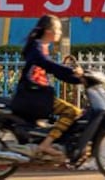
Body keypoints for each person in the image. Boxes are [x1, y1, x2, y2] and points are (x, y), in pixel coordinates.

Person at [10, 14, 83, 159]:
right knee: (72, 112)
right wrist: (71, 71)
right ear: (49, 31)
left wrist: (80, 79)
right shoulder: (36, 48)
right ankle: (46, 144)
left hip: (38, 95)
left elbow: (54, 71)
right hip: (33, 96)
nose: (60, 33)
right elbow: (48, 65)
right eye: (58, 30)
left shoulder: (42, 47)